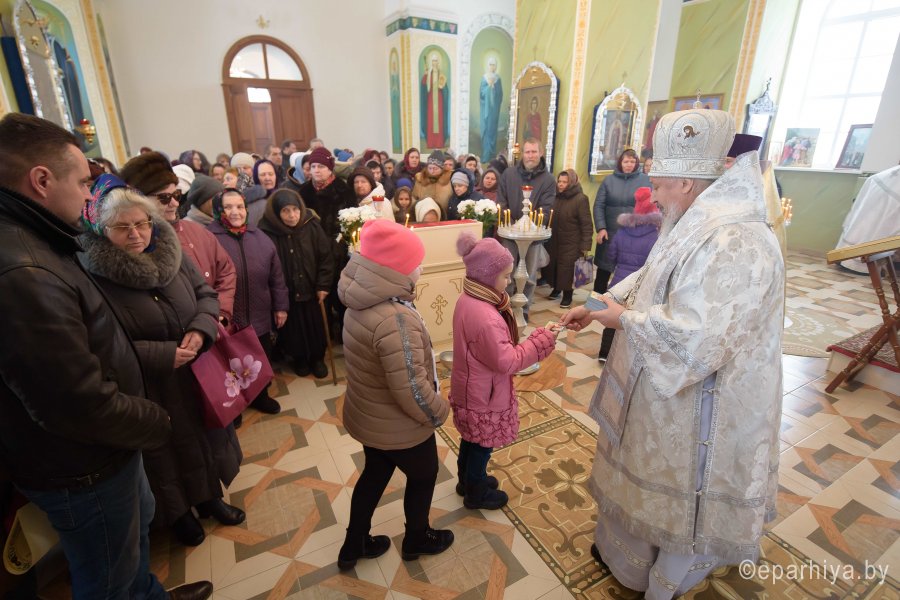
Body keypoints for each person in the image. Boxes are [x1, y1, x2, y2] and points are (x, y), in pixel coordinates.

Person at [561, 108, 784, 599]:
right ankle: (631, 560)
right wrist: (598, 305)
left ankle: (668, 577)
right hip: (662, 395)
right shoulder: (691, 217)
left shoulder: (737, 238)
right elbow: (652, 274)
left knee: (684, 499)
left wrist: (623, 321)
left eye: (659, 184)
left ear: (685, 183)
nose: (653, 194)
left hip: (703, 405)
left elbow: (701, 338)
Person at [0, 113, 212, 600]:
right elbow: (72, 400)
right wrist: (153, 420)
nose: (87, 195)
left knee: (130, 553)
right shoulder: (23, 270)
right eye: (82, 183)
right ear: (42, 180)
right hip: (82, 464)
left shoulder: (38, 239)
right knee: (108, 577)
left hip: (102, 450)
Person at [79, 180, 245, 549]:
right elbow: (99, 346)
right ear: (102, 230)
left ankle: (209, 497)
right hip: (146, 382)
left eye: (142, 223)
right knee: (163, 451)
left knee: (203, 437)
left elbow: (205, 294)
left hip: (194, 371)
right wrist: (161, 354)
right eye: (122, 227)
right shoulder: (92, 274)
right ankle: (178, 513)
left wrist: (201, 329)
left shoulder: (171, 252)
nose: (136, 234)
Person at [337, 219, 454, 569]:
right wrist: (438, 411)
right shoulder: (394, 319)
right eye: (416, 263)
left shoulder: (361, 296)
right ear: (395, 269)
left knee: (375, 473)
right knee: (424, 475)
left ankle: (354, 544)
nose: (421, 269)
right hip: (399, 426)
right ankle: (417, 537)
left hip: (371, 416)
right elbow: (412, 390)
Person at [451, 232, 556, 510]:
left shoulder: (469, 298)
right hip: (483, 394)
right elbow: (508, 361)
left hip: (471, 388)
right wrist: (541, 341)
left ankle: (466, 481)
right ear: (487, 276)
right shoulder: (486, 317)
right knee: (482, 445)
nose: (509, 281)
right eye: (505, 276)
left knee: (470, 439)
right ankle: (476, 493)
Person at [119, 155, 236, 329]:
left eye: (176, 195)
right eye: (164, 198)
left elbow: (226, 271)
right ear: (141, 199)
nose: (174, 203)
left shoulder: (197, 231)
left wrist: (220, 313)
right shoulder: (136, 244)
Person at [209, 188, 289, 415]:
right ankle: (234, 406)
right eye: (228, 207)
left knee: (259, 359)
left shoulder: (260, 237)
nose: (235, 212)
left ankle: (260, 397)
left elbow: (276, 277)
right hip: (227, 318)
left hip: (259, 314)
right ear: (218, 210)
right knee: (229, 362)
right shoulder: (209, 238)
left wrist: (281, 307)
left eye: (240, 206)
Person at [259, 189, 334, 379]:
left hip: (313, 290)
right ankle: (299, 359)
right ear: (277, 213)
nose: (292, 215)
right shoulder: (267, 232)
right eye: (286, 211)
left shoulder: (311, 225)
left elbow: (325, 257)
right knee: (293, 331)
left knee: (316, 327)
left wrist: (323, 285)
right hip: (287, 294)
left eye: (295, 209)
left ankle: (317, 358)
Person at [298, 147, 357, 341]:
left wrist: (340, 247)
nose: (316, 170)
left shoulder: (344, 191)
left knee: (341, 298)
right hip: (312, 253)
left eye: (321, 166)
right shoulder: (303, 192)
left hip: (339, 253)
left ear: (330, 168)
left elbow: (352, 224)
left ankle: (345, 336)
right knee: (319, 299)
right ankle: (323, 337)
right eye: (313, 166)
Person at [597, 186, 660, 361]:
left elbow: (611, 255)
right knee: (630, 320)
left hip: (619, 282)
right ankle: (623, 357)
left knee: (611, 317)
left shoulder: (623, 231)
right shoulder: (657, 235)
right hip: (640, 287)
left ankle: (604, 353)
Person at [497, 138, 556, 318]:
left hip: (533, 236)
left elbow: (546, 207)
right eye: (527, 152)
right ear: (522, 154)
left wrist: (528, 226)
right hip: (510, 234)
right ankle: (506, 307)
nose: (530, 155)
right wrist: (512, 224)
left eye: (534, 152)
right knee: (507, 272)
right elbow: (501, 200)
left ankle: (523, 310)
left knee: (529, 275)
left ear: (541, 153)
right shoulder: (509, 174)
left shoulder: (548, 179)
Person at [592, 148, 650, 295]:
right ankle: (595, 305)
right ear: (620, 163)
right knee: (602, 274)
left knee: (627, 277)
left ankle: (618, 307)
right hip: (609, 235)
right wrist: (601, 228)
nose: (629, 164)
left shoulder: (645, 180)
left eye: (632, 161)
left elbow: (651, 206)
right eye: (626, 161)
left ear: (637, 163)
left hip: (633, 237)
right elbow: (599, 205)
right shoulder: (609, 181)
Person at [835, 163, 900, 273]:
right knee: (875, 231)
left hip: (875, 210)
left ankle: (847, 258)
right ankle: (859, 263)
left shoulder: (883, 176)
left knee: (864, 228)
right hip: (884, 215)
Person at [546, 169, 593, 308]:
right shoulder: (555, 197)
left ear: (572, 182)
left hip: (572, 242)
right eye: (559, 181)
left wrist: (585, 245)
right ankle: (556, 288)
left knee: (567, 269)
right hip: (555, 240)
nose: (561, 184)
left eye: (565, 182)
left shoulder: (580, 199)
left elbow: (586, 224)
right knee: (555, 266)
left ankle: (567, 295)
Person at [420, 51, 449, 148]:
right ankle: (431, 143)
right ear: (430, 62)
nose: (434, 63)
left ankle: (439, 143)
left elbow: (445, 88)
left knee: (439, 121)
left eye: (436, 61)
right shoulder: (428, 74)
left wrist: (443, 87)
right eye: (433, 61)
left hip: (439, 100)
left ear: (438, 62)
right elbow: (424, 86)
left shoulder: (441, 74)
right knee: (431, 121)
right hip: (430, 101)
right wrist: (425, 76)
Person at [412, 151, 453, 218]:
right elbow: (414, 198)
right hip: (424, 217)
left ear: (442, 169)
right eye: (430, 168)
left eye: (435, 168)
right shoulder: (421, 180)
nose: (432, 171)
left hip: (444, 217)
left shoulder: (448, 181)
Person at [480, 56, 503, 161]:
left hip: (494, 110)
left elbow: (500, 95)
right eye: (490, 64)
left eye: (494, 65)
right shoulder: (484, 78)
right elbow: (481, 94)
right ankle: (486, 154)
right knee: (487, 130)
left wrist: (494, 88)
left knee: (493, 130)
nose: (492, 67)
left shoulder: (498, 79)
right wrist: (489, 87)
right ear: (488, 65)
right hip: (486, 110)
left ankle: (492, 154)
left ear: (496, 66)